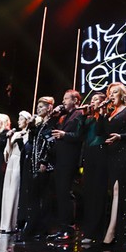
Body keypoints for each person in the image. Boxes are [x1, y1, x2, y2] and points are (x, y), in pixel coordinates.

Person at [47, 89, 85, 243]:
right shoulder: (64, 116)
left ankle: (69, 228)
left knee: (66, 193)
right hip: (60, 159)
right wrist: (53, 116)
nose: (63, 101)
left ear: (75, 100)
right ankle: (62, 227)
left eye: (66, 99)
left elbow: (80, 136)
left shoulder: (80, 114)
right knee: (60, 194)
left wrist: (64, 135)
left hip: (70, 159)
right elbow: (51, 131)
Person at [100, 82, 126, 246]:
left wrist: (121, 137)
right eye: (110, 93)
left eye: (114, 92)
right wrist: (101, 114)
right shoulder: (110, 113)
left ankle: (114, 230)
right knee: (114, 191)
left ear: (122, 94)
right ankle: (116, 230)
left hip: (124, 152)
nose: (111, 96)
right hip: (111, 154)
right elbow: (101, 132)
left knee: (119, 190)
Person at [23, 96, 57, 238]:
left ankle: (43, 228)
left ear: (49, 108)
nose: (38, 109)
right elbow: (32, 142)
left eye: (41, 107)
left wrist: (44, 161)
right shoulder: (39, 124)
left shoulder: (52, 122)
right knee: (34, 197)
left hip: (45, 165)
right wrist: (31, 126)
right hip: (34, 163)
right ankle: (33, 226)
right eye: (38, 107)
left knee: (44, 197)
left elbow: (50, 143)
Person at [77, 93, 109, 245]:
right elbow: (79, 135)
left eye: (97, 100)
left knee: (99, 193)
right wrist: (83, 115)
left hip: (101, 155)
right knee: (89, 194)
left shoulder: (105, 117)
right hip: (89, 156)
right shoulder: (88, 119)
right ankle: (89, 230)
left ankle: (99, 230)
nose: (93, 102)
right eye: (92, 100)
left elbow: (100, 132)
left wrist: (101, 113)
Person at [0, 110, 30, 233]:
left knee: (14, 191)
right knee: (7, 190)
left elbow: (26, 149)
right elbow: (7, 151)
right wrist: (9, 138)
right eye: (18, 118)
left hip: (19, 162)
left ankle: (13, 223)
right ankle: (5, 224)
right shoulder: (16, 133)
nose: (19, 121)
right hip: (11, 161)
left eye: (21, 119)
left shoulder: (29, 133)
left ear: (27, 121)